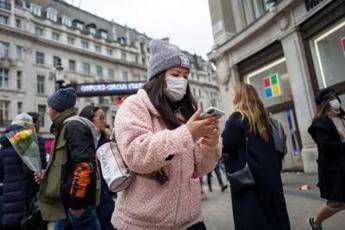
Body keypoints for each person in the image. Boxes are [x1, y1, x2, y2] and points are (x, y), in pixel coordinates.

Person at [112, 39, 221, 229]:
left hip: (191, 220)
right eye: (176, 74)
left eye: (186, 76)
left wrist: (209, 144)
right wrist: (187, 134)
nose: (182, 81)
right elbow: (136, 154)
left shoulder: (188, 111)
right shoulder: (134, 105)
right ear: (159, 76)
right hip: (142, 223)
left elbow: (201, 168)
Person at [222, 83, 290, 230]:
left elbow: (224, 145)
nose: (232, 97)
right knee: (274, 217)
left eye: (233, 94)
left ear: (239, 96)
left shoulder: (237, 118)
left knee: (253, 219)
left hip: (249, 180)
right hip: (270, 178)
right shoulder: (265, 118)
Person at [35, 87, 101, 230]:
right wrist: (47, 175)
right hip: (66, 205)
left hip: (77, 207)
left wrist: (77, 204)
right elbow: (67, 166)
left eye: (49, 106)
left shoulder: (74, 126)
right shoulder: (64, 127)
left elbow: (84, 166)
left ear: (57, 109)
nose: (47, 111)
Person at [307, 88, 345, 230]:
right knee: (337, 203)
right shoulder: (321, 122)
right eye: (332, 98)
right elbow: (326, 146)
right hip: (334, 168)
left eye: (336, 96)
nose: (336, 100)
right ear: (325, 103)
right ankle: (316, 222)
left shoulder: (341, 117)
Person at [0, 113, 45, 229]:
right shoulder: (29, 139)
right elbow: (35, 171)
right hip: (27, 195)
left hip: (8, 195)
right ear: (27, 125)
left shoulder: (4, 142)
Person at [79, 105, 115, 230]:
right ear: (90, 120)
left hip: (105, 196)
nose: (105, 121)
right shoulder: (79, 141)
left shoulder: (107, 140)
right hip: (86, 197)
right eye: (101, 118)